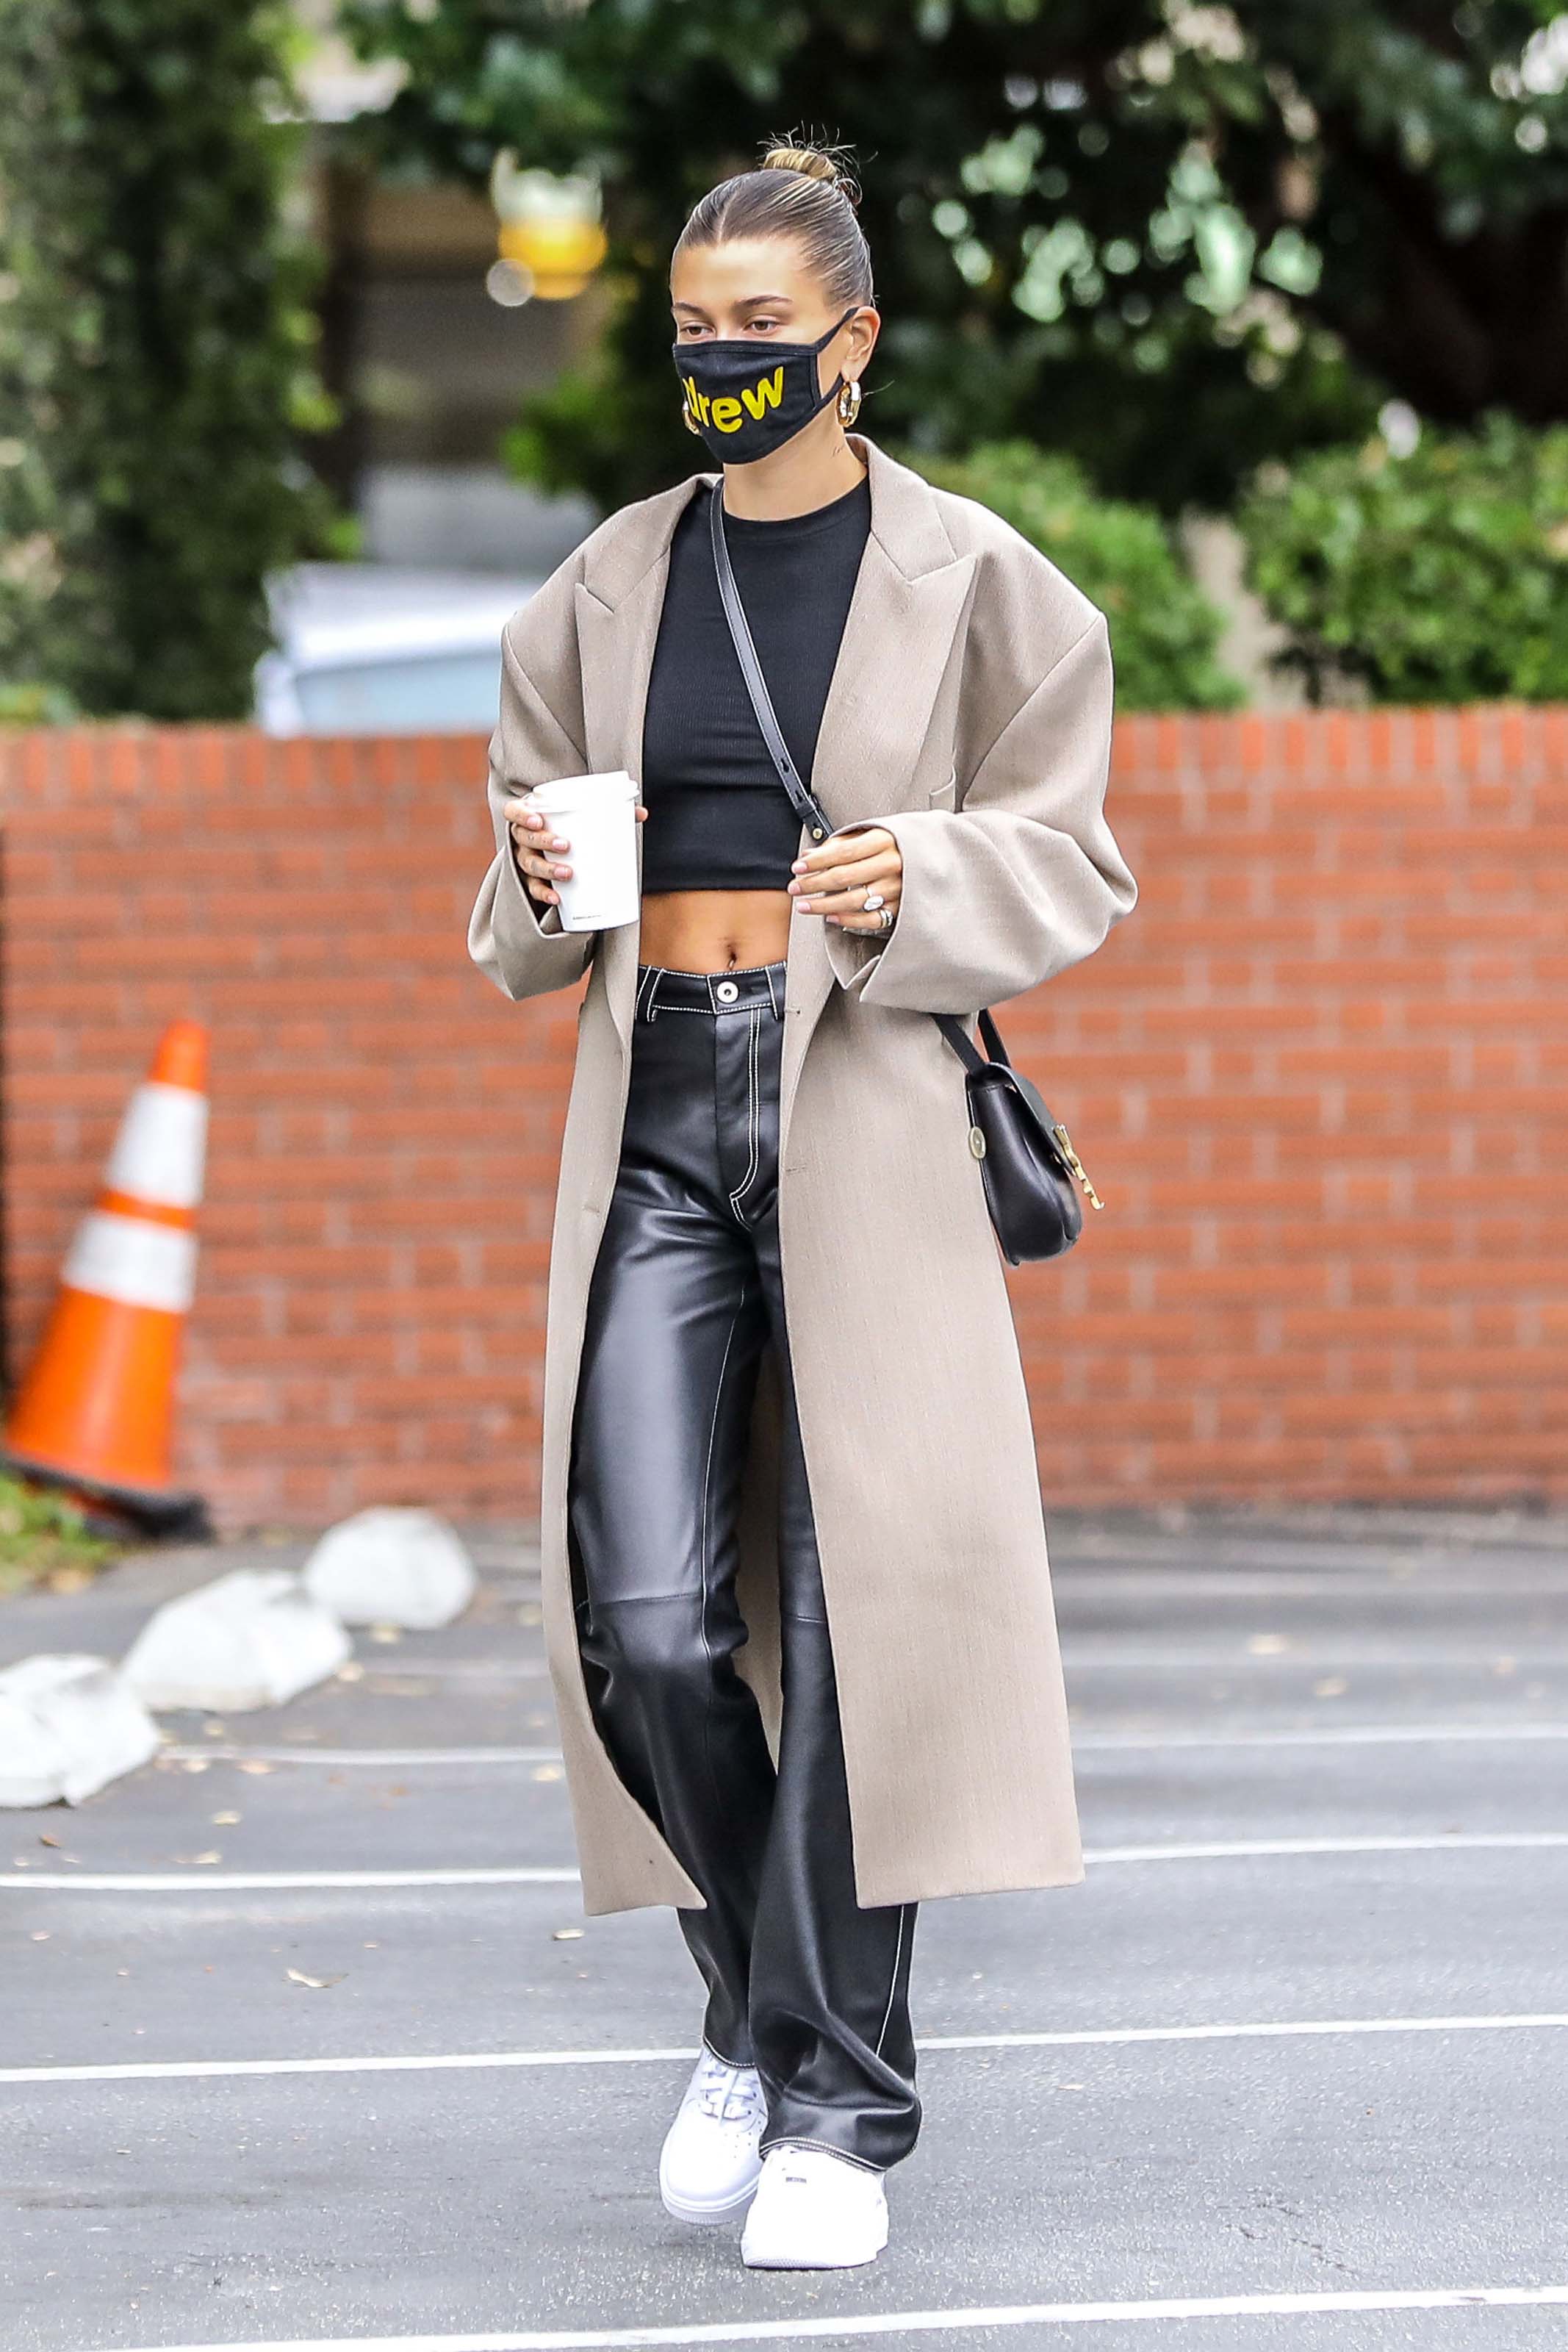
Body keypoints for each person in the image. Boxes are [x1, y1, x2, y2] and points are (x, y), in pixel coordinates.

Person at [468, 137, 1137, 2273]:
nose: (720, 363)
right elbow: (511, 892)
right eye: (695, 329)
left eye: (762, 331)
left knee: (862, 1620)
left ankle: (838, 2108)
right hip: (656, 1100)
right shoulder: (601, 583)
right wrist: (541, 882)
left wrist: (921, 878)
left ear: (852, 342)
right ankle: (767, 2019)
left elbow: (1073, 851)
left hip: (852, 1107)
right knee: (644, 1617)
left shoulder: (975, 575)